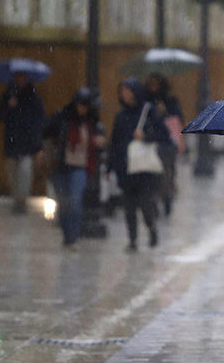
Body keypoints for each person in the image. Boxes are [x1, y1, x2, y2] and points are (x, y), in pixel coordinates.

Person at [109, 79, 172, 252]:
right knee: (129, 207)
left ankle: (151, 229)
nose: (125, 94)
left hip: (145, 170)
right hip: (126, 168)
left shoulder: (148, 111)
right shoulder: (120, 116)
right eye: (122, 91)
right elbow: (114, 143)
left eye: (128, 90)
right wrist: (110, 167)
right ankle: (133, 240)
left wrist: (145, 136)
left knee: (145, 203)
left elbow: (164, 135)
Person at [42, 88, 103, 249]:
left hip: (80, 167)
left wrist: (99, 143)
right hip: (60, 166)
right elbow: (45, 131)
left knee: (75, 201)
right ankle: (67, 234)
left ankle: (73, 236)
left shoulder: (91, 123)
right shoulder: (62, 118)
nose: (82, 109)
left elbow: (99, 144)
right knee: (63, 204)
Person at [0, 71, 45, 214]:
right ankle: (16, 199)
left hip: (27, 142)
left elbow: (39, 121)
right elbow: (0, 115)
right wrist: (9, 107)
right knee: (12, 173)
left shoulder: (34, 98)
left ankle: (21, 201)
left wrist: (38, 145)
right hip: (12, 140)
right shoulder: (8, 95)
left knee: (24, 172)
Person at [144, 73, 184, 217]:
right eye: (151, 84)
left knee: (167, 175)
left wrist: (164, 111)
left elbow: (178, 119)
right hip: (151, 144)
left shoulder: (170, 100)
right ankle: (155, 201)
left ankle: (166, 199)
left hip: (168, 145)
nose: (154, 87)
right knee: (154, 175)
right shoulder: (146, 101)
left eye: (156, 84)